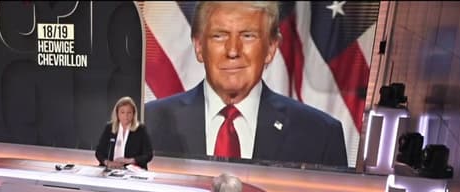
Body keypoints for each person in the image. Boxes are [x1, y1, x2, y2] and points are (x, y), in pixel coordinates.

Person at [144, 1, 348, 166]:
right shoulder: (149, 124)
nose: (233, 50)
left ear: (271, 48)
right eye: (219, 36)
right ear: (199, 46)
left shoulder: (320, 135)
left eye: (248, 36)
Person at [95, 96, 154, 170]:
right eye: (122, 112)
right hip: (110, 169)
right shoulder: (109, 127)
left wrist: (129, 160)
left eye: (129, 112)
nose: (126, 116)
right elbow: (99, 152)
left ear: (133, 114)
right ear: (117, 113)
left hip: (132, 170)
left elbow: (148, 155)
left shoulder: (140, 129)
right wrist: (108, 162)